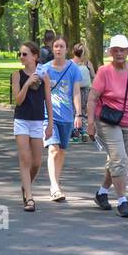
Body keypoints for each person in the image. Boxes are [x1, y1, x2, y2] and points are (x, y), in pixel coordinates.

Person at [88, 34, 128, 218]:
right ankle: (122, 201)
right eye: (116, 50)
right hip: (107, 120)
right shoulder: (104, 71)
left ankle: (102, 193)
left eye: (123, 50)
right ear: (111, 52)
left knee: (117, 160)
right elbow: (92, 97)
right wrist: (89, 123)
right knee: (119, 159)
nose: (119, 53)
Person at [37, 36, 83, 202]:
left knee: (61, 151)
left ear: (66, 49)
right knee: (53, 149)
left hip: (67, 116)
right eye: (55, 46)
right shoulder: (45, 69)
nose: (58, 49)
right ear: (52, 48)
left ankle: (55, 183)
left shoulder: (73, 69)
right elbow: (36, 88)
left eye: (61, 46)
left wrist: (78, 114)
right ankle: (54, 186)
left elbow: (76, 92)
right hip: (48, 116)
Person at [12, 41, 54, 212]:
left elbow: (48, 100)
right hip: (21, 120)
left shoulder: (44, 74)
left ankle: (26, 185)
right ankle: (29, 198)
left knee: (36, 163)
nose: (22, 57)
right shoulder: (17, 75)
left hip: (37, 121)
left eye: (25, 54)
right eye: (20, 54)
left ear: (35, 56)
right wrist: (28, 83)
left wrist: (50, 123)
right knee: (25, 159)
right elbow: (18, 100)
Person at [72, 43, 92, 142]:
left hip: (74, 91)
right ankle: (84, 131)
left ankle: (75, 133)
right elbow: (94, 76)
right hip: (86, 91)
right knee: (84, 112)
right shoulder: (87, 63)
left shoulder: (70, 64)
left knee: (74, 111)